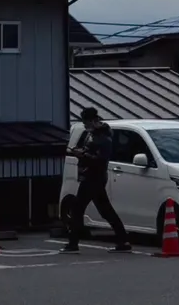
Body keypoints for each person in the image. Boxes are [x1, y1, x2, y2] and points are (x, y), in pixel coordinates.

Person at [62, 107, 132, 254]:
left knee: (78, 209)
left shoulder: (103, 138)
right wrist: (82, 152)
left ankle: (73, 243)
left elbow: (100, 160)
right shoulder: (93, 134)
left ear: (93, 121)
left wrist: (83, 155)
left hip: (93, 177)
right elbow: (92, 153)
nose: (85, 125)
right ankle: (123, 240)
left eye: (86, 122)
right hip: (92, 176)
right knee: (105, 210)